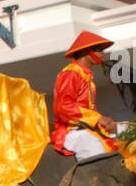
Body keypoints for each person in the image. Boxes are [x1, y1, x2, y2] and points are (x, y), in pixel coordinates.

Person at [51, 30, 119, 160]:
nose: (102, 52)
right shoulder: (71, 73)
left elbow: (88, 113)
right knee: (103, 164)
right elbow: (63, 107)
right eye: (99, 48)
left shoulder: (85, 75)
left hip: (87, 131)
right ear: (84, 51)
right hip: (75, 133)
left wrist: (103, 125)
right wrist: (98, 118)